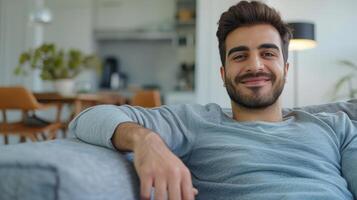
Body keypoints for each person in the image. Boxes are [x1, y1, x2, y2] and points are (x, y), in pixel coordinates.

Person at [69, 1, 357, 200]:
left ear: (286, 68)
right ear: (223, 73)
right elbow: (87, 119)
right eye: (240, 55)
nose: (255, 65)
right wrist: (146, 141)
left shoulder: (337, 127)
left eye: (268, 53)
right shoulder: (195, 122)